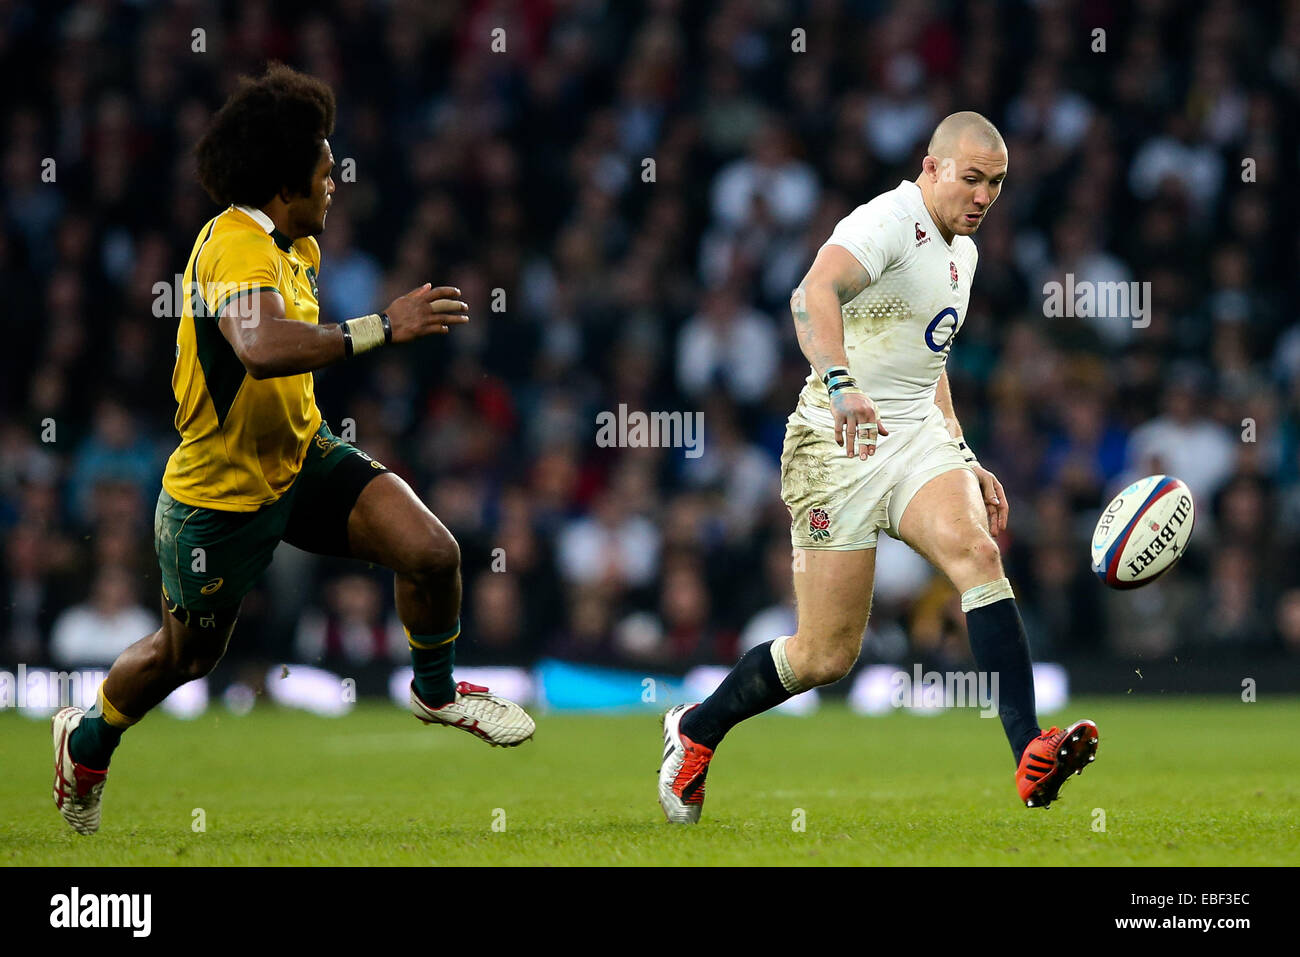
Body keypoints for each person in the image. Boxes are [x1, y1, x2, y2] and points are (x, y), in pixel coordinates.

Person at [52, 64, 534, 837]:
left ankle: (435, 691)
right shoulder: (235, 245)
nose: (335, 182)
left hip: (303, 458)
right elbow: (261, 346)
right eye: (325, 170)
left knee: (434, 552)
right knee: (185, 660)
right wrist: (382, 325)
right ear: (285, 185)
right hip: (218, 500)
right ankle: (87, 738)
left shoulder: (294, 241)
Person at [658, 112, 1098, 824]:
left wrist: (963, 455)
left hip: (916, 437)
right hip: (837, 444)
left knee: (979, 553)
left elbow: (932, 361)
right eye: (972, 177)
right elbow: (811, 293)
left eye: (997, 183)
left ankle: (1028, 749)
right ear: (932, 167)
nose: (984, 195)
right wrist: (839, 382)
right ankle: (697, 729)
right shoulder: (889, 220)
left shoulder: (966, 253)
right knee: (825, 654)